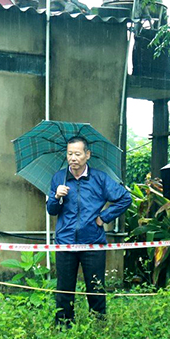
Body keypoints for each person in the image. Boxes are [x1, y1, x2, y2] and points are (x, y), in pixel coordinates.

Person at [47, 136, 132, 326]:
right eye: (70, 154)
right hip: (65, 242)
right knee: (64, 289)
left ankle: (98, 326)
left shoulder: (99, 178)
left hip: (93, 242)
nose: (73, 158)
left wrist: (104, 217)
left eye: (77, 154)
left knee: (95, 287)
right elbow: (52, 211)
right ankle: (63, 326)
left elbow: (125, 198)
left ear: (87, 155)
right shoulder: (59, 178)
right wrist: (55, 196)